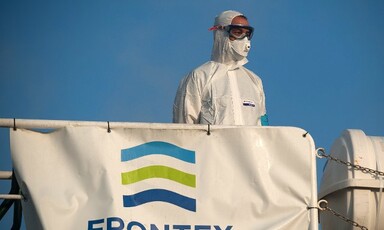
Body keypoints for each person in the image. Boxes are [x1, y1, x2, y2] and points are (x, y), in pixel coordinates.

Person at [173, 10, 268, 126]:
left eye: (247, 34)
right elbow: (183, 127)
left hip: (249, 144)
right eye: (238, 32)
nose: (245, 40)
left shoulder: (254, 81)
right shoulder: (199, 76)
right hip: (212, 144)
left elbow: (264, 128)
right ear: (221, 34)